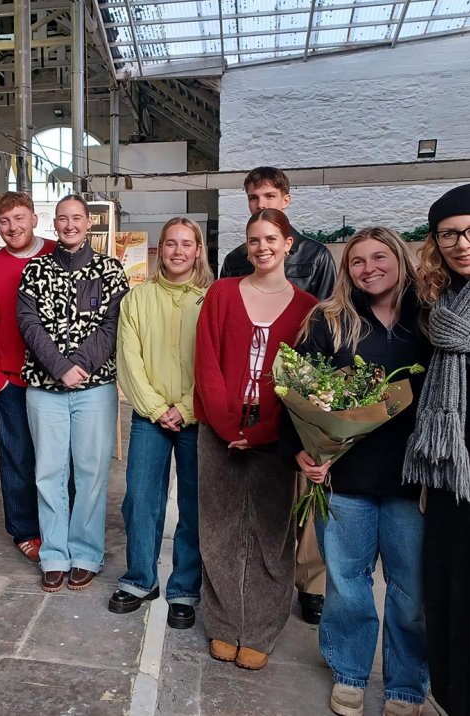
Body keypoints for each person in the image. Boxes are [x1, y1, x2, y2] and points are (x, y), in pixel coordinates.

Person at [289, 228, 430, 716]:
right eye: (357, 262)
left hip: (414, 479)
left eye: (379, 257)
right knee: (348, 583)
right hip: (345, 476)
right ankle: (349, 672)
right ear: (346, 270)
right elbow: (300, 392)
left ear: (401, 258)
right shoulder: (330, 321)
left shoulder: (431, 318)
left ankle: (407, 684)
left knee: (410, 591)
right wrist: (305, 449)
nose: (369, 268)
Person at [195, 208, 316, 670]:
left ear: (289, 244)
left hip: (276, 439)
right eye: (253, 240)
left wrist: (264, 433)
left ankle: (262, 628)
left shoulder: (307, 308)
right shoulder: (222, 293)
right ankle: (225, 625)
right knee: (220, 530)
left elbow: (301, 382)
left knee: (271, 535)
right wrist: (230, 428)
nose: (261, 247)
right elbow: (206, 362)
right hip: (218, 432)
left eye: (270, 238)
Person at [220, 165, 336, 626]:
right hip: (253, 390)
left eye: (269, 194)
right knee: (266, 495)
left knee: (309, 486)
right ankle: (258, 576)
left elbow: (329, 322)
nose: (261, 203)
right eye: (252, 197)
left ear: (286, 199)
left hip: (302, 388)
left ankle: (311, 583)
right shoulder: (234, 260)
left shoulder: (317, 257)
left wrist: (318, 396)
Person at [18, 194, 129, 592]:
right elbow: (28, 324)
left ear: (88, 223)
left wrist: (80, 366)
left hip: (95, 388)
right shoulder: (36, 270)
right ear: (54, 224)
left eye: (76, 218)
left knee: (91, 472)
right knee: (48, 472)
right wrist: (60, 368)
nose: (69, 225)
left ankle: (85, 553)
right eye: (62, 219)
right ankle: (54, 553)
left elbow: (112, 326)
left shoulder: (110, 270)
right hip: (45, 388)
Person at [109, 218, 213, 629]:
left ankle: (185, 587)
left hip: (196, 416)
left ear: (198, 250)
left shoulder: (211, 300)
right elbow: (128, 359)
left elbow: (213, 362)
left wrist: (186, 408)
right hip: (149, 418)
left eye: (187, 244)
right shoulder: (136, 300)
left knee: (193, 503)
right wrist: (156, 408)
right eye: (171, 243)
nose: (178, 251)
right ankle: (140, 579)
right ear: (159, 250)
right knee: (140, 499)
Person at [403, 183, 470, 716]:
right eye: (449, 234)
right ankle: (450, 695)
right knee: (446, 586)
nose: (462, 243)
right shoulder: (439, 302)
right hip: (450, 471)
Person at [0, 192, 54, 562]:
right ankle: (25, 529)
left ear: (35, 219)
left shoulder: (57, 254)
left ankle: (58, 524)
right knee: (17, 458)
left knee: (56, 458)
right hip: (12, 382)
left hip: (55, 380)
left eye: (20, 218)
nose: (13, 227)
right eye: (4, 221)